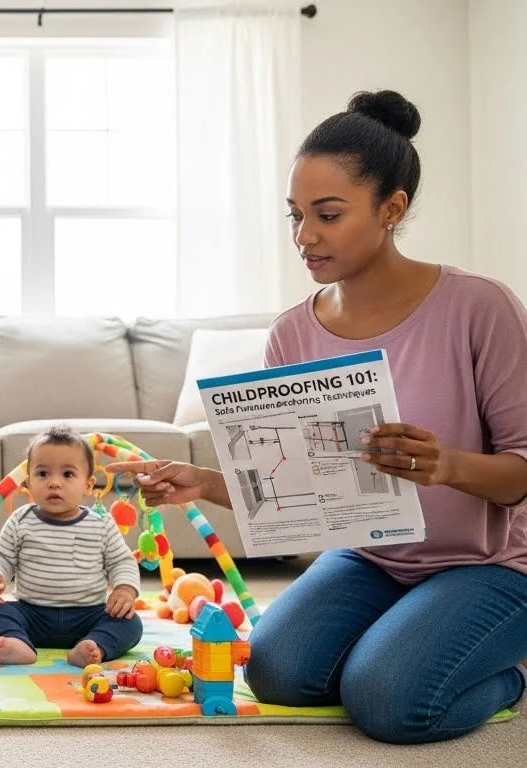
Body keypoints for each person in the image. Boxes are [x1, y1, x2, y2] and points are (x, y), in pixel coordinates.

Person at [107, 90, 527, 744]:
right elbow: (307, 484)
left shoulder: (479, 307)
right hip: (369, 557)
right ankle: (409, 636)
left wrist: (447, 465)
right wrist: (209, 482)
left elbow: (520, 470)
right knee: (273, 670)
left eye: (327, 215)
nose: (305, 236)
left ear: (391, 209)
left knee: (387, 702)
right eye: (295, 215)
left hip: (492, 566)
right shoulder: (292, 334)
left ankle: (506, 675)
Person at [0, 426, 142, 668]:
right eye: (43, 474)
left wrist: (125, 590)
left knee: (131, 623)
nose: (54, 483)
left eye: (67, 474)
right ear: (28, 482)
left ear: (88, 486)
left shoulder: (101, 522)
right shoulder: (20, 519)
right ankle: (16, 643)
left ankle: (93, 645)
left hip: (88, 615)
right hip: (31, 614)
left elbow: (121, 561)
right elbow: (0, 555)